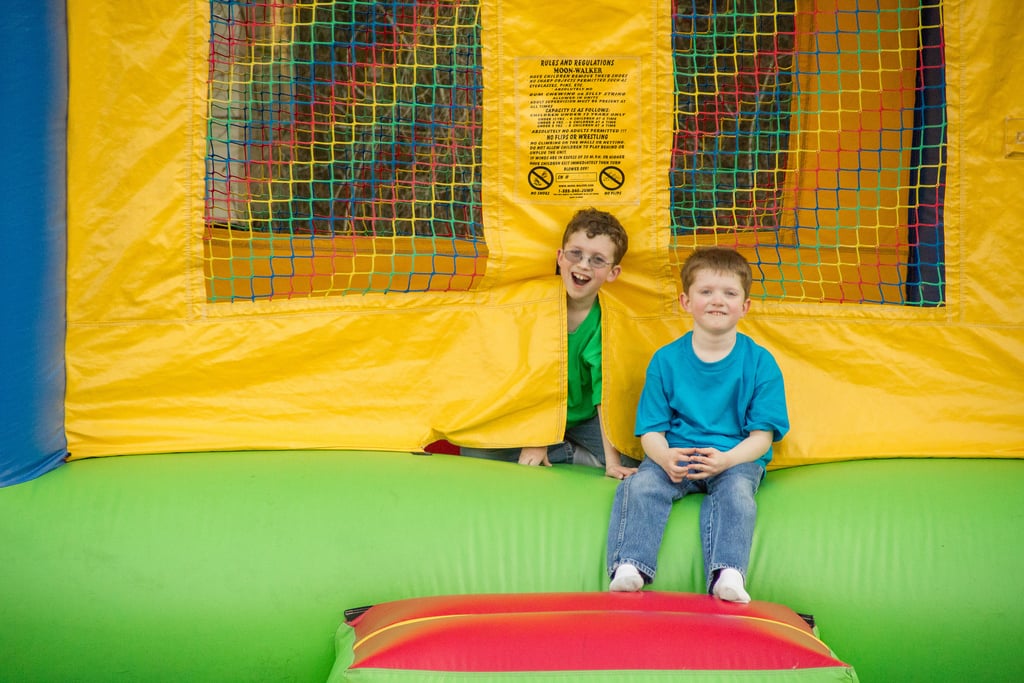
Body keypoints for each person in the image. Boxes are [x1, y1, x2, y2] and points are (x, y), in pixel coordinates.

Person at [606, 247, 789, 602]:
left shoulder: (760, 363)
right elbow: (652, 431)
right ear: (686, 301)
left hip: (733, 458)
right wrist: (664, 457)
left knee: (737, 496)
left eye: (729, 293)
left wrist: (727, 461)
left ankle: (728, 572)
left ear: (745, 306)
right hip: (678, 452)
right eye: (706, 292)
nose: (717, 301)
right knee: (641, 486)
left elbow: (762, 437)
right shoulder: (666, 360)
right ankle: (630, 565)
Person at [461, 208, 639, 480]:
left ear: (613, 273)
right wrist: (538, 434)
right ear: (560, 257)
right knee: (474, 451)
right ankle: (565, 451)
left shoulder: (605, 322)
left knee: (633, 456)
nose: (583, 266)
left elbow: (604, 396)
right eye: (575, 254)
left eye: (597, 260)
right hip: (532, 410)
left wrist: (613, 464)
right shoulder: (536, 306)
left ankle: (567, 452)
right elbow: (526, 377)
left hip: (582, 417)